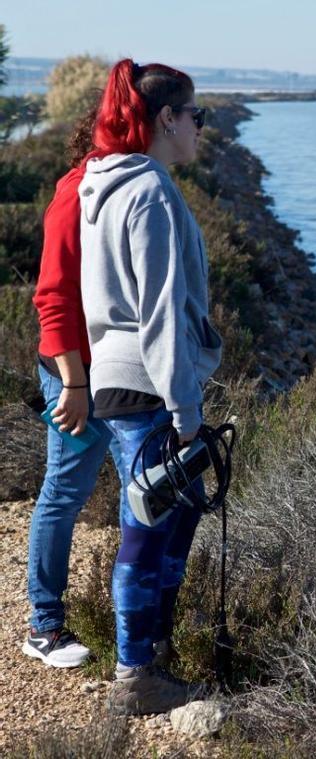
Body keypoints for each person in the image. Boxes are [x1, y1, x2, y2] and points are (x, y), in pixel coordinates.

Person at [79, 58, 220, 715]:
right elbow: (160, 308)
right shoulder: (151, 191)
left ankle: (153, 652)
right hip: (147, 384)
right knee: (146, 527)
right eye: (196, 116)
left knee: (177, 507)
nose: (200, 128)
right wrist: (186, 408)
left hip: (116, 377)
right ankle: (136, 677)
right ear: (167, 118)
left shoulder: (102, 185)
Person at [23, 109, 123, 669]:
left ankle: (138, 624)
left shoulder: (125, 186)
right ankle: (44, 627)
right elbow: (52, 298)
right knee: (63, 492)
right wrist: (74, 382)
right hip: (78, 376)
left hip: (115, 372)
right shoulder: (75, 193)